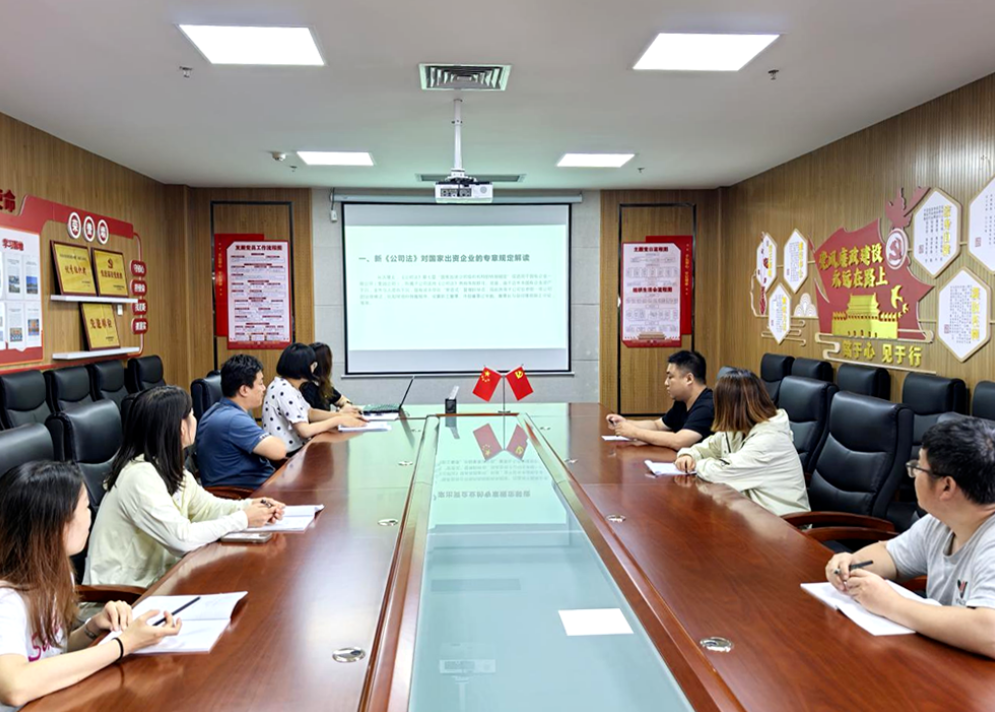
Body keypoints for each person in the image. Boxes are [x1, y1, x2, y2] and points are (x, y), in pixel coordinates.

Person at [0, 461, 181, 710]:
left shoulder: (54, 573)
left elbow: (54, 654)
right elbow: (15, 687)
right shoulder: (6, 600)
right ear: (57, 525)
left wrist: (92, 628)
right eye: (85, 507)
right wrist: (123, 644)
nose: (90, 516)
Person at [826, 417, 995, 658]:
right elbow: (889, 555)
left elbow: (989, 633)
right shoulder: (940, 522)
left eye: (919, 468)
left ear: (946, 487)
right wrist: (850, 565)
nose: (913, 474)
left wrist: (891, 604)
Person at [84, 386, 284, 588]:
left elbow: (207, 508)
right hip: (122, 595)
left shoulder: (168, 468)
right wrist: (243, 518)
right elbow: (182, 539)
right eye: (192, 415)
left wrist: (251, 506)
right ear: (181, 427)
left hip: (161, 580)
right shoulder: (139, 477)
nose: (195, 419)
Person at [673, 368, 809, 516]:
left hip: (784, 523)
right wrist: (689, 455)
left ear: (731, 407)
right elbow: (710, 447)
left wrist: (695, 465)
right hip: (752, 512)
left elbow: (720, 473)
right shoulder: (739, 428)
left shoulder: (768, 441)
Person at [196, 355, 287, 490]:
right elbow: (279, 451)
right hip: (247, 494)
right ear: (244, 390)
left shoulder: (218, 410)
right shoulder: (233, 420)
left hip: (259, 486)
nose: (264, 388)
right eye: (260, 383)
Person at [263, 343, 366, 455]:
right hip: (288, 455)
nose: (314, 368)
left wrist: (341, 415)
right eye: (313, 365)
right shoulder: (284, 391)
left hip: (295, 450)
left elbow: (310, 412)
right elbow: (305, 430)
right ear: (303, 368)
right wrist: (338, 420)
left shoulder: (288, 387)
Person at [605, 350, 714, 449]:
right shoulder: (682, 402)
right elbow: (658, 425)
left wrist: (635, 432)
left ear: (689, 379)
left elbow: (679, 441)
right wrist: (625, 423)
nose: (666, 383)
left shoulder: (707, 406)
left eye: (670, 377)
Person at [301, 343, 357, 412]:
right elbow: (311, 415)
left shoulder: (322, 385)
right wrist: (339, 413)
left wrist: (346, 405)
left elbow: (341, 399)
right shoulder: (306, 388)